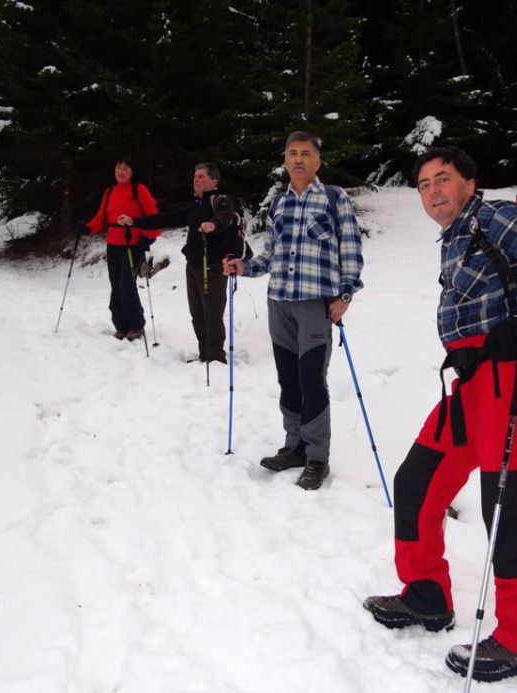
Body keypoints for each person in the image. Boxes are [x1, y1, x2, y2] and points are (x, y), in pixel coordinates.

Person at [363, 146, 517, 682]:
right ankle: (425, 596)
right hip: (472, 379)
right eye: (422, 184)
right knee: (417, 478)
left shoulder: (488, 216)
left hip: (510, 371)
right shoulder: (458, 236)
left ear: (470, 182)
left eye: (443, 179)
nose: (432, 191)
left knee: (509, 502)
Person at [223, 131, 364, 491]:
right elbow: (270, 256)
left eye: (306, 153)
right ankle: (295, 446)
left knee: (312, 380)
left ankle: (318, 458)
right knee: (289, 380)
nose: (298, 159)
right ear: (285, 161)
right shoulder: (278, 205)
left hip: (314, 305)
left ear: (317, 162)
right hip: (279, 302)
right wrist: (244, 266)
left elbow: (350, 250)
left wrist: (345, 295)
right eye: (292, 153)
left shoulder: (334, 199)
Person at [120, 162, 238, 363]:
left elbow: (225, 217)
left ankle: (216, 357)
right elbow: (165, 218)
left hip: (212, 266)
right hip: (193, 265)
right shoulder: (196, 206)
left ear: (214, 181)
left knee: (212, 314)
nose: (196, 179)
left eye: (201, 176)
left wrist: (213, 224)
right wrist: (135, 222)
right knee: (197, 314)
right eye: (195, 176)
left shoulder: (221, 201)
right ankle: (204, 354)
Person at [76, 158, 159, 340]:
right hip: (114, 243)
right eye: (118, 168)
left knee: (126, 284)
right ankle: (121, 325)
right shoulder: (110, 191)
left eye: (125, 169)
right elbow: (101, 218)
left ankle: (135, 324)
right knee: (115, 283)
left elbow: (154, 217)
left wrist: (149, 237)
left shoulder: (139, 190)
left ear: (132, 172)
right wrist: (87, 229)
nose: (120, 172)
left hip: (133, 243)